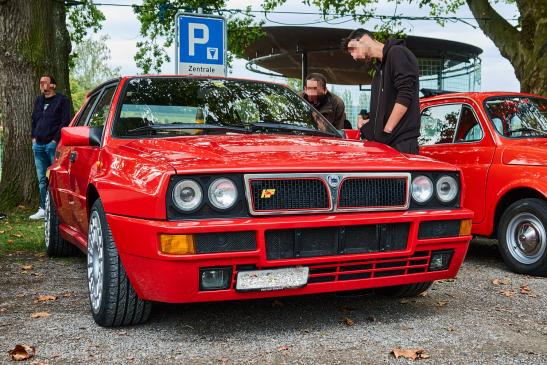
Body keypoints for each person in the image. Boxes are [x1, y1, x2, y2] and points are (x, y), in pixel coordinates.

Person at [342, 29, 421, 154]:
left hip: (400, 143)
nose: (354, 56)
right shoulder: (379, 70)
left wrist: (388, 129)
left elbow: (406, 93)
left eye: (353, 48)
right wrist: (370, 123)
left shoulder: (397, 53)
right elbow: (385, 105)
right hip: (386, 144)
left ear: (365, 38)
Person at [29, 75, 71, 220]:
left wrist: (55, 140)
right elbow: (34, 120)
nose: (42, 84)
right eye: (40, 82)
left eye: (45, 82)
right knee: (42, 179)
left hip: (52, 145)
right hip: (38, 145)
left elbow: (65, 121)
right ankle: (43, 208)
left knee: (55, 178)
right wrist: (34, 138)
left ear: (53, 85)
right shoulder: (39, 100)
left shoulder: (62, 100)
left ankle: (57, 210)